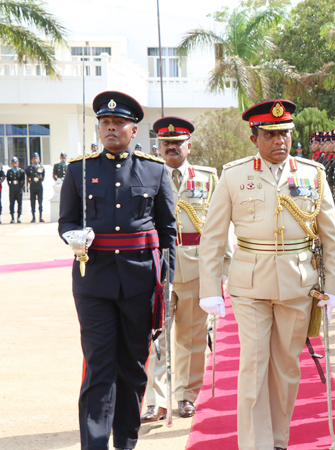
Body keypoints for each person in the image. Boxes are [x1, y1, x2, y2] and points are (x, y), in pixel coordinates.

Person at [197, 99, 335, 450]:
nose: (280, 141)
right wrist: (210, 288)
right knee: (254, 363)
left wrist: (333, 289)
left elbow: (331, 236)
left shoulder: (312, 174)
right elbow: (214, 236)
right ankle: (256, 444)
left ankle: (278, 440)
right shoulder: (234, 175)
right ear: (254, 138)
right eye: (270, 135)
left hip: (298, 281)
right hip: (250, 282)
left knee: (287, 368)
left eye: (285, 134)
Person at [58, 91, 176, 450]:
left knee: (132, 366)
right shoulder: (79, 169)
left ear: (133, 129)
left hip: (141, 280)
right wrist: (75, 237)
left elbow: (168, 230)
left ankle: (125, 441)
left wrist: (165, 278)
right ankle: (94, 444)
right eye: (105, 123)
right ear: (98, 128)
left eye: (119, 123)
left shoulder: (154, 169)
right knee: (99, 364)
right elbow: (65, 223)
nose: (111, 129)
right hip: (93, 279)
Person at [142, 117, 231, 422]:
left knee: (192, 337)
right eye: (166, 143)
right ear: (158, 147)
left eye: (178, 143)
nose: (172, 147)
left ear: (189, 146)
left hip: (196, 266)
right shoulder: (147, 176)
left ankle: (186, 395)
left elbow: (220, 225)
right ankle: (156, 400)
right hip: (158, 265)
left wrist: (223, 266)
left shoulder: (208, 178)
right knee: (156, 335)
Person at [26, 152, 45, 222]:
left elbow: (43, 177)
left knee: (40, 202)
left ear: (39, 159)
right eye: (34, 158)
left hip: (39, 186)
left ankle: (41, 217)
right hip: (32, 186)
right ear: (32, 160)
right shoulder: (29, 168)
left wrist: (38, 181)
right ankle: (33, 217)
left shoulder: (41, 168)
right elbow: (27, 178)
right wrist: (31, 182)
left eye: (36, 158)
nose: (35, 160)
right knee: (32, 202)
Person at [6, 156, 25, 223]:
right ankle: (12, 218)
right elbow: (8, 181)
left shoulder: (21, 171)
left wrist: (20, 186)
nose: (15, 164)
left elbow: (23, 181)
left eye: (16, 163)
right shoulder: (9, 171)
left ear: (18, 163)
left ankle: (18, 217)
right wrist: (11, 186)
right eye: (13, 163)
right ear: (11, 163)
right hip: (12, 188)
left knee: (19, 203)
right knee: (12, 203)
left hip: (19, 188)